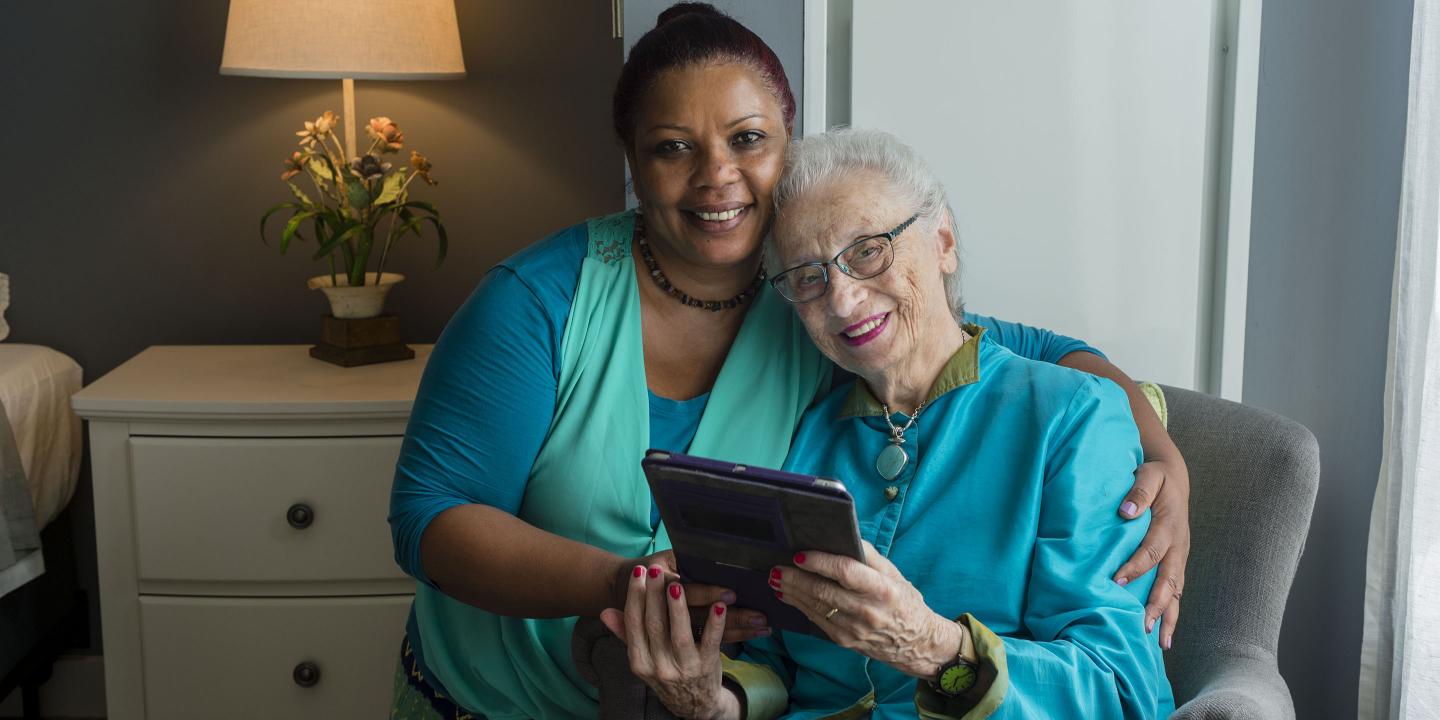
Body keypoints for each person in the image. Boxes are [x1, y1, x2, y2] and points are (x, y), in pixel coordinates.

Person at [388, 5, 1187, 719]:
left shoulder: (829, 314)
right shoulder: (547, 302)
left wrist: (1152, 439)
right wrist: (680, 654)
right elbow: (430, 514)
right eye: (672, 148)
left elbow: (979, 338)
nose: (716, 176)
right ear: (633, 163)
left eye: (747, 139)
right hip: (496, 695)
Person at [603, 127, 1176, 720]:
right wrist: (714, 700)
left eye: (868, 251)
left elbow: (1119, 690)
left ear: (943, 240)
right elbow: (773, 663)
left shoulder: (1070, 416)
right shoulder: (804, 434)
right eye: (807, 277)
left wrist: (934, 648)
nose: (843, 302)